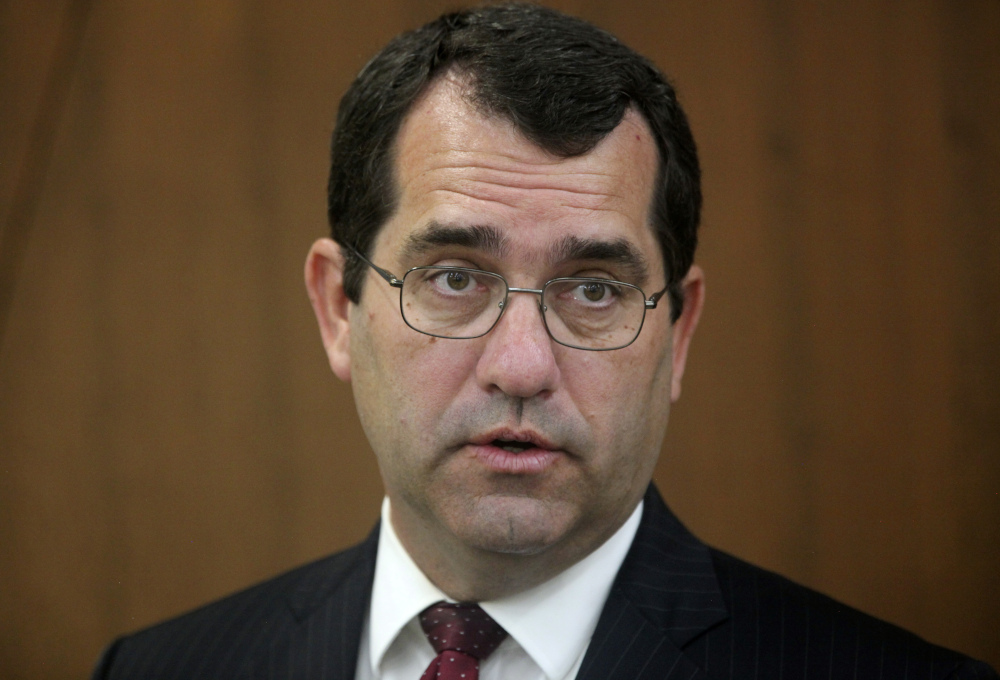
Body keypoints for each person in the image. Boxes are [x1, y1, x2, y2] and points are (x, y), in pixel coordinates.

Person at [92, 4, 997, 679]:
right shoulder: (155, 670)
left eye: (595, 290)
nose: (521, 366)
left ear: (677, 334)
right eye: (453, 278)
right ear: (339, 307)